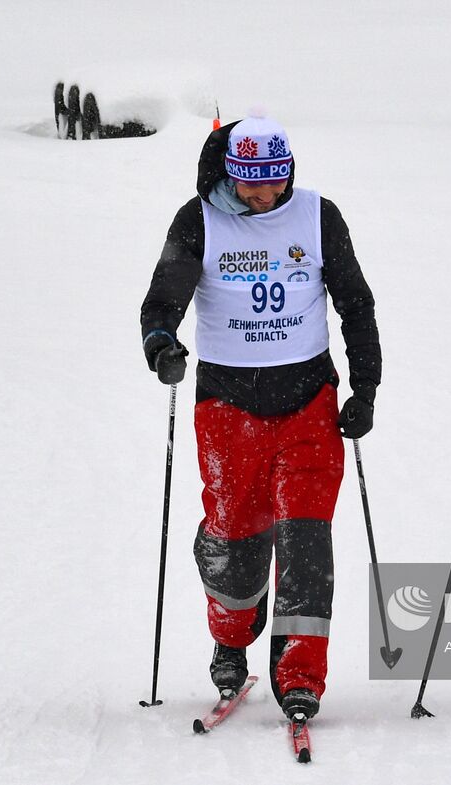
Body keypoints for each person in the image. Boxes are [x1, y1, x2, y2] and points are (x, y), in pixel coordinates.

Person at [139, 111, 381, 722]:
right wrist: (161, 343)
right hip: (227, 405)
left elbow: (356, 305)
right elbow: (162, 298)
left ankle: (300, 676)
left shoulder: (318, 216)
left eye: (275, 180)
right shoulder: (198, 220)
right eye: (251, 182)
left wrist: (366, 388)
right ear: (231, 172)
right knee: (237, 537)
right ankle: (230, 638)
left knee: (306, 541)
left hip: (308, 403)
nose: (265, 193)